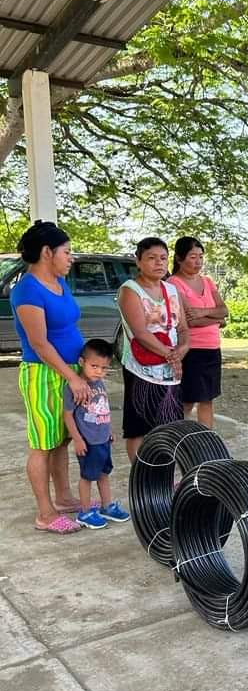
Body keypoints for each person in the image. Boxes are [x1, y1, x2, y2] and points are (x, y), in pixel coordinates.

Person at [10, 220, 89, 533]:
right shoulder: (27, 290)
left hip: (69, 371)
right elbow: (40, 343)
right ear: (47, 252)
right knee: (42, 444)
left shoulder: (59, 282)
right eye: (66, 252)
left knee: (61, 440)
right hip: (43, 375)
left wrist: (83, 367)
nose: (71, 257)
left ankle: (64, 498)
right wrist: (73, 377)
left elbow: (67, 328)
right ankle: (45, 514)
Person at [117, 237, 189, 463]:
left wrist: (182, 349)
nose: (159, 263)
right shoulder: (130, 290)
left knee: (170, 424)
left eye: (163, 258)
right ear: (138, 261)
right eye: (151, 258)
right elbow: (141, 332)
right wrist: (171, 355)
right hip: (141, 369)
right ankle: (142, 476)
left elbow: (183, 328)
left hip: (170, 370)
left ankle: (164, 474)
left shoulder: (171, 289)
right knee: (138, 426)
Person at [63, 338, 130, 529]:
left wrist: (108, 431)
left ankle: (106, 506)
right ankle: (84, 512)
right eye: (94, 366)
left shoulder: (100, 383)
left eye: (104, 368)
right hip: (88, 443)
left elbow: (103, 409)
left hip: (103, 440)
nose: (99, 371)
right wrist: (77, 439)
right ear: (82, 362)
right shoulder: (73, 388)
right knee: (87, 477)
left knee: (103, 474)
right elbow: (68, 415)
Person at [168, 236, 228, 429]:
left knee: (207, 399)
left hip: (212, 348)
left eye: (201, 257)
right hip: (191, 349)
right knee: (188, 399)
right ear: (179, 258)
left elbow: (223, 310)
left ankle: (206, 439)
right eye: (193, 257)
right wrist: (216, 320)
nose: (198, 262)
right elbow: (189, 321)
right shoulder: (174, 283)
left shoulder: (207, 281)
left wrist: (204, 312)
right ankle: (176, 436)